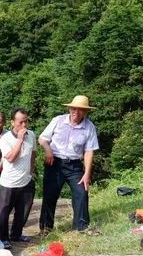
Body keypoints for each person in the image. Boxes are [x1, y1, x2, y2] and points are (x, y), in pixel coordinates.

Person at [38, 95, 99, 234]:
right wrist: (48, 150)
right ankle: (46, 228)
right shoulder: (58, 120)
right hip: (54, 162)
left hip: (74, 165)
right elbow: (42, 138)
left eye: (80, 110)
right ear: (69, 108)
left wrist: (87, 173)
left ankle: (81, 226)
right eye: (73, 108)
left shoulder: (89, 127)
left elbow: (89, 151)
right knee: (50, 195)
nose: (76, 112)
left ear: (86, 112)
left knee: (81, 192)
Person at [0, 108, 36, 246]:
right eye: (20, 122)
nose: (24, 125)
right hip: (9, 183)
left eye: (26, 122)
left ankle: (16, 234)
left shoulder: (31, 134)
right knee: (3, 212)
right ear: (12, 122)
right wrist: (19, 140)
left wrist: (31, 171)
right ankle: (3, 238)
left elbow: (33, 153)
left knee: (23, 211)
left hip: (26, 180)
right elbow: (11, 158)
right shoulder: (5, 139)